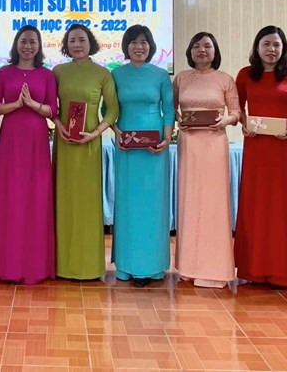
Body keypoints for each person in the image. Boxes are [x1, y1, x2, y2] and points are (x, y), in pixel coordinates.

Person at [234, 25, 287, 287]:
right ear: (257, 47)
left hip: (283, 148)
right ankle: (253, 269)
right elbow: (237, 107)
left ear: (283, 48)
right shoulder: (245, 75)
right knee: (255, 204)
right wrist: (244, 123)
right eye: (266, 44)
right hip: (256, 148)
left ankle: (282, 271)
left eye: (277, 44)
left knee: (282, 205)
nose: (271, 49)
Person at [0, 25, 58, 284]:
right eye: (23, 41)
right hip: (11, 140)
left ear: (39, 46)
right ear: (16, 44)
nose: (27, 46)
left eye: (32, 42)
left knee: (36, 197)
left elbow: (53, 110)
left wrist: (32, 105)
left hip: (37, 139)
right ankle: (7, 266)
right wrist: (17, 104)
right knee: (12, 197)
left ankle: (36, 266)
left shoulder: (47, 75)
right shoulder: (4, 73)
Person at [173, 32, 240, 288]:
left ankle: (214, 268)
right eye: (196, 45)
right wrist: (179, 120)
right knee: (190, 201)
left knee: (214, 203)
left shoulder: (225, 79)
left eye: (207, 45)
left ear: (215, 51)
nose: (202, 49)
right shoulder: (181, 78)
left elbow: (236, 113)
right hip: (189, 144)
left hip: (214, 146)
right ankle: (188, 267)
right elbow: (171, 108)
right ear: (190, 51)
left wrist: (226, 120)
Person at [53, 24, 119, 280]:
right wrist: (58, 125)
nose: (77, 44)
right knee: (64, 199)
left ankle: (89, 266)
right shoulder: (58, 72)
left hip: (89, 143)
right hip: (65, 143)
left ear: (91, 43)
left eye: (82, 39)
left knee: (88, 203)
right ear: (66, 45)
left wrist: (96, 132)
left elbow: (112, 109)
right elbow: (50, 105)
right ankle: (61, 265)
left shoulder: (103, 73)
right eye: (72, 40)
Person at [110, 25, 174, 287]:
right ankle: (126, 265)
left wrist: (167, 139)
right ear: (126, 46)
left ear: (151, 46)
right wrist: (117, 133)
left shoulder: (161, 75)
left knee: (153, 204)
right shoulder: (116, 74)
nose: (139, 47)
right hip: (127, 146)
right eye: (134, 42)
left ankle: (152, 266)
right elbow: (107, 110)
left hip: (154, 147)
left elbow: (169, 109)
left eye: (144, 41)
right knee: (127, 203)